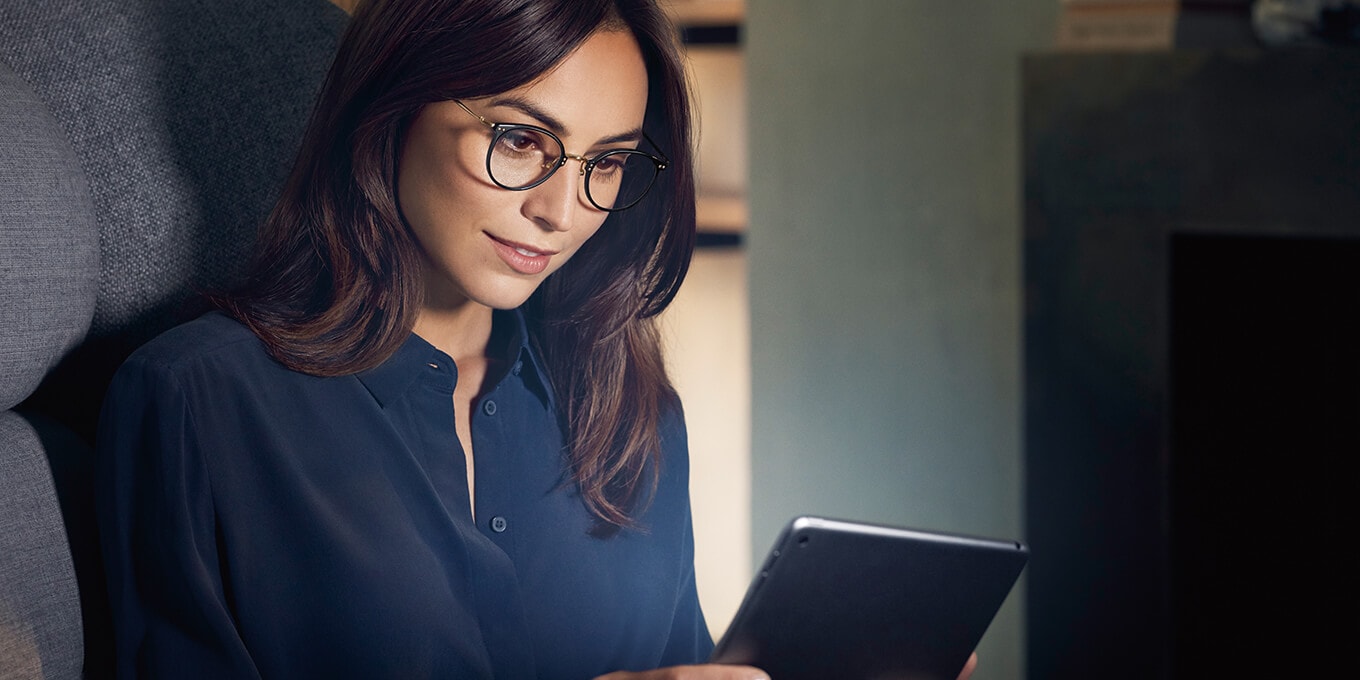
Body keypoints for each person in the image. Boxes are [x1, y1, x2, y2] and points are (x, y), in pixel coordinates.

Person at [96, 0, 767, 677]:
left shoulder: (634, 415)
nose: (560, 213)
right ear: (394, 107)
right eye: (518, 139)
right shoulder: (200, 401)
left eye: (608, 161)